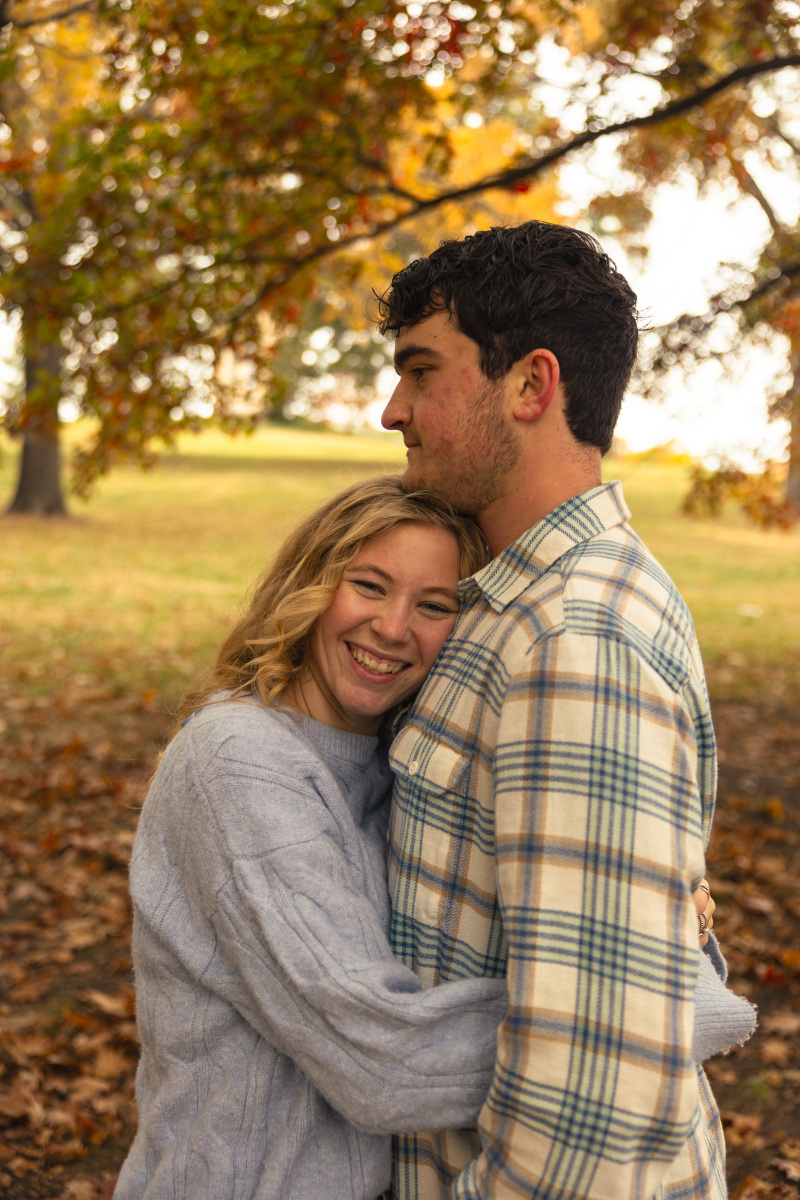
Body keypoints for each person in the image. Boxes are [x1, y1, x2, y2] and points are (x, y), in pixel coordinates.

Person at [378, 221, 755, 1200]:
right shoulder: (514, 605)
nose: (391, 410)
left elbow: (585, 1123)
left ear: (530, 385)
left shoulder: (575, 643)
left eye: (421, 372)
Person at [114, 477, 511, 1200]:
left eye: (434, 605)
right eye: (369, 586)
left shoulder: (395, 770)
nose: (393, 627)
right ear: (311, 585)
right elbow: (386, 1065)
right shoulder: (238, 760)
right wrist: (639, 1011)